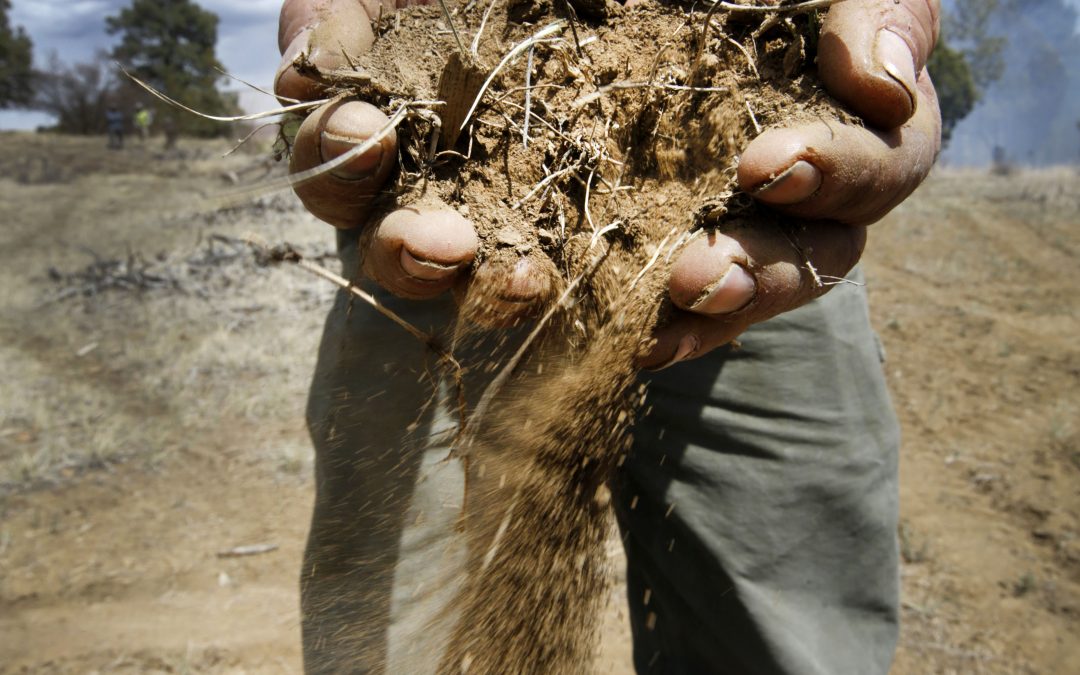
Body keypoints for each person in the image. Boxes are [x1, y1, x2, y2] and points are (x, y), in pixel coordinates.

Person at [274, 0, 942, 672]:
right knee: (400, 629)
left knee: (781, 626)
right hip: (442, 220)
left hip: (748, 227)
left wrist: (889, 24)